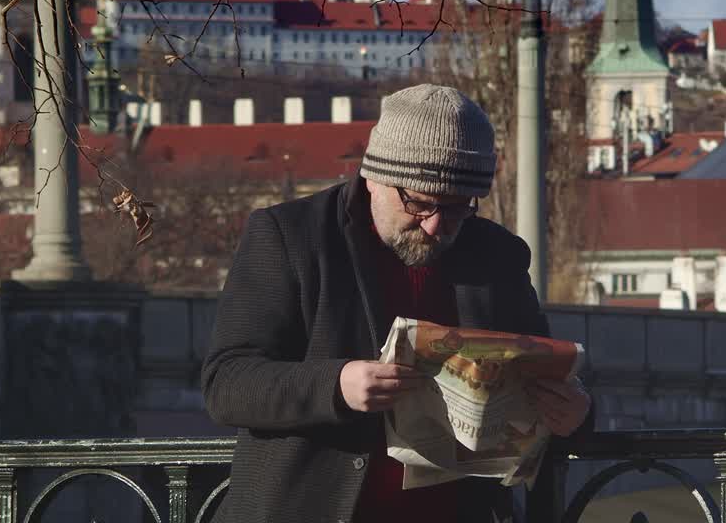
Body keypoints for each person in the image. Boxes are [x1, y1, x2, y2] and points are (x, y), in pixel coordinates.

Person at [201, 84, 592, 523]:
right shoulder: (290, 236)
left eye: (459, 208)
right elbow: (227, 383)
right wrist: (338, 385)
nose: (435, 226)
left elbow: (544, 371)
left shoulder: (497, 254)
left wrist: (577, 411)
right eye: (419, 203)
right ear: (373, 176)